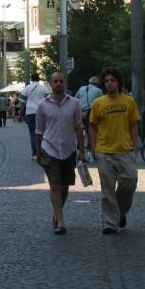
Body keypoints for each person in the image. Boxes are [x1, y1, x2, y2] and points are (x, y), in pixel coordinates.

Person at [89, 67, 141, 235]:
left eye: (113, 80)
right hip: (104, 151)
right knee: (108, 190)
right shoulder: (99, 103)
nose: (110, 83)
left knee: (130, 181)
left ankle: (121, 212)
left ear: (118, 82)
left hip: (125, 150)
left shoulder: (129, 102)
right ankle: (110, 223)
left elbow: (134, 124)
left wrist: (135, 146)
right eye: (107, 81)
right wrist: (94, 147)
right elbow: (92, 126)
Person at [35, 71, 86, 235]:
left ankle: (57, 213)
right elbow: (38, 131)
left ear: (65, 83)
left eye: (61, 81)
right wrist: (38, 152)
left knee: (64, 186)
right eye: (55, 81)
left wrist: (82, 151)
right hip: (49, 149)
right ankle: (61, 221)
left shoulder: (74, 103)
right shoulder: (42, 105)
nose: (58, 84)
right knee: (55, 185)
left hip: (69, 149)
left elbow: (79, 128)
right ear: (51, 83)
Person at [20, 74, 50, 159]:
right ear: (39, 79)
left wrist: (21, 114)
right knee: (43, 133)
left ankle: (35, 153)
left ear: (31, 79)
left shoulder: (27, 88)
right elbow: (49, 100)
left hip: (30, 113)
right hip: (42, 113)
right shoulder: (44, 88)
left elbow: (22, 102)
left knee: (33, 134)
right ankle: (43, 151)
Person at [75, 76, 103, 154]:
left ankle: (80, 145)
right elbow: (102, 103)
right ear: (98, 84)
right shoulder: (99, 91)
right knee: (91, 130)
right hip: (90, 113)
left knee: (79, 129)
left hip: (80, 112)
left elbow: (75, 99)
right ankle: (91, 146)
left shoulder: (81, 88)